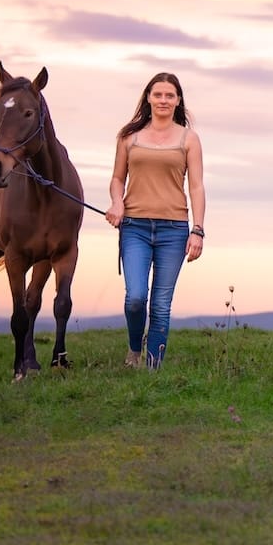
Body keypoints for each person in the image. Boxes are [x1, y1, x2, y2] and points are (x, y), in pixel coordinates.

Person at [105, 72, 206, 369]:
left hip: (173, 230)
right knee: (136, 298)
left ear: (178, 101)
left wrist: (197, 230)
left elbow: (197, 186)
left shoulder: (189, 139)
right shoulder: (129, 136)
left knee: (161, 304)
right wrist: (116, 202)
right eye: (158, 94)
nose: (163, 100)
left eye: (169, 95)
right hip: (134, 227)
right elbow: (116, 178)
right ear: (148, 97)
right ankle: (134, 350)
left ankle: (153, 368)